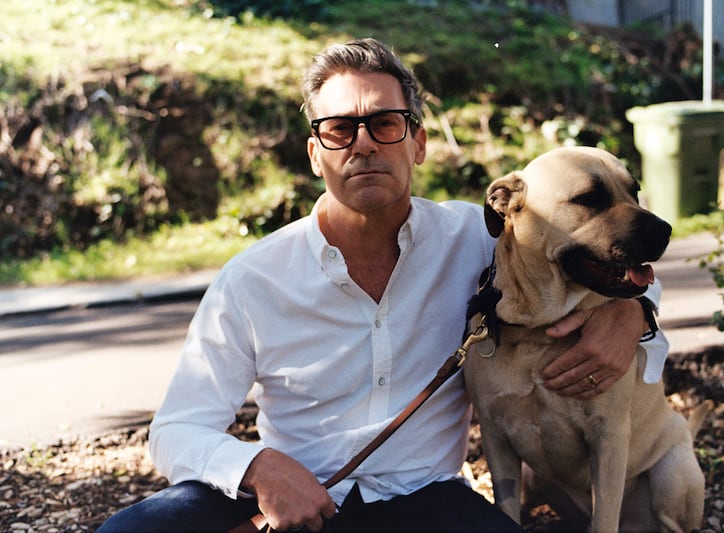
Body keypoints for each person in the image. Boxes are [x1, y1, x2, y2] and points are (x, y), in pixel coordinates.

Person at [97, 38, 667, 533]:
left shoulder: (482, 237)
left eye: (385, 124)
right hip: (294, 500)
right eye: (340, 129)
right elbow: (178, 429)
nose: (363, 144)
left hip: (425, 501)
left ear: (417, 143)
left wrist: (632, 314)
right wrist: (259, 469)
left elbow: (605, 263)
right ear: (315, 154)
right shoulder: (253, 279)